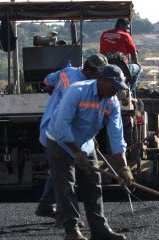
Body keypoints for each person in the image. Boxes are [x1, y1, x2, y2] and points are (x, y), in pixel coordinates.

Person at [46, 64, 134, 240]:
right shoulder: (76, 91)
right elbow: (62, 126)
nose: (115, 92)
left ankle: (100, 230)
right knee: (66, 185)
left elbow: (116, 135)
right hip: (60, 142)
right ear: (101, 81)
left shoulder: (112, 101)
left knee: (93, 186)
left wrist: (123, 168)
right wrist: (76, 153)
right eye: (113, 87)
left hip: (85, 144)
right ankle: (71, 231)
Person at [35, 54, 108, 222]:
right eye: (98, 74)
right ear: (88, 70)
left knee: (59, 170)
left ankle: (46, 204)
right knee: (65, 173)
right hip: (60, 130)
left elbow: (47, 80)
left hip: (53, 125)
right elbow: (74, 116)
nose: (100, 78)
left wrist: (53, 89)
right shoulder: (81, 87)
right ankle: (64, 216)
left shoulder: (68, 71)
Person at [100, 18, 141, 92]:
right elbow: (133, 52)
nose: (128, 31)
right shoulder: (125, 35)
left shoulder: (104, 34)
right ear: (121, 26)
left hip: (105, 68)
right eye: (127, 28)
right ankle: (129, 91)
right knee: (138, 68)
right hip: (122, 68)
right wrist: (136, 62)